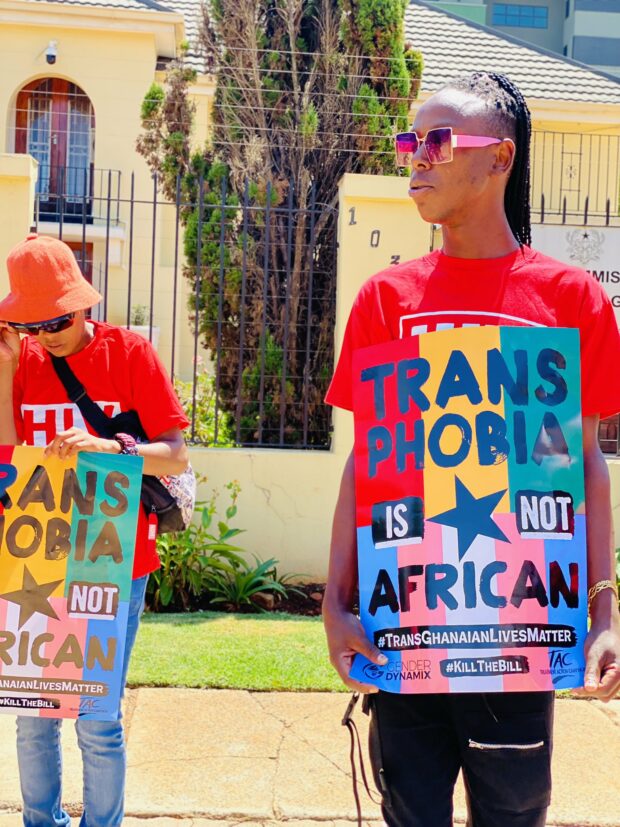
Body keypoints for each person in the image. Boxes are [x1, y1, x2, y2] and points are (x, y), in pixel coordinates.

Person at [323, 72, 620, 827]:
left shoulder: (571, 299)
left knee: (513, 815)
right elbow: (365, 462)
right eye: (410, 141)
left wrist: (604, 608)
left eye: (438, 140)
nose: (416, 157)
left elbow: (585, 464)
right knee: (409, 814)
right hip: (406, 631)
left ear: (500, 160)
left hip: (520, 633)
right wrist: (335, 602)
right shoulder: (384, 299)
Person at [0, 233, 190, 827]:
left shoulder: (128, 353)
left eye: (55, 320)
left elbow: (177, 456)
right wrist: (7, 365)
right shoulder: (24, 360)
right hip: (38, 554)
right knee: (34, 716)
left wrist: (109, 446)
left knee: (98, 716)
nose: (45, 336)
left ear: (82, 305)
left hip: (112, 554)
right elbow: (8, 456)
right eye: (31, 326)